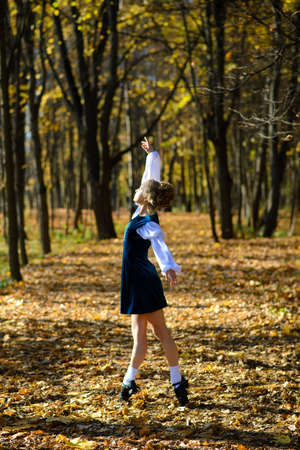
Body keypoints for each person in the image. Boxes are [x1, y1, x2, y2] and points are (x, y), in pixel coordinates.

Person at [120, 137, 189, 406]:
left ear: (145, 197)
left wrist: (169, 266)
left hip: (142, 282)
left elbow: (159, 245)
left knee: (160, 332)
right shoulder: (141, 211)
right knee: (141, 337)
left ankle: (176, 382)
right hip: (137, 281)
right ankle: (130, 383)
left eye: (139, 188)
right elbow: (151, 178)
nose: (135, 188)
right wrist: (152, 155)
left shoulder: (148, 221)